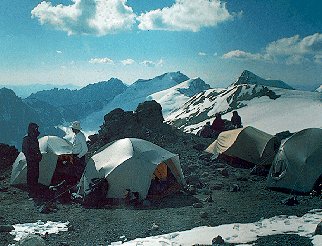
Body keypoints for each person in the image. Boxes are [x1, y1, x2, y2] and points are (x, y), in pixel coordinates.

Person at [22, 122, 42, 197]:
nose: (36, 129)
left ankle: (35, 189)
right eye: (35, 128)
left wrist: (39, 155)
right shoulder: (27, 138)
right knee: (31, 174)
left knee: (36, 174)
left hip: (35, 160)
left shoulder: (34, 138)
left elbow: (37, 148)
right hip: (31, 160)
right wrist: (31, 158)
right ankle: (31, 191)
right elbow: (25, 150)